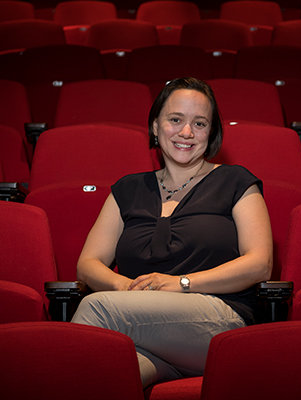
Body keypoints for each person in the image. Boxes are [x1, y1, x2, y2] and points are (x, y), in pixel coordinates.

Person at [71, 77, 273, 388]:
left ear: (212, 133)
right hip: (144, 331)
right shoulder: (128, 189)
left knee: (96, 308)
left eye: (200, 123)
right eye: (175, 119)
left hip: (216, 321)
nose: (187, 132)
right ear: (155, 126)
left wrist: (181, 284)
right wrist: (125, 288)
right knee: (100, 379)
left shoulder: (236, 182)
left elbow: (259, 264)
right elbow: (88, 263)